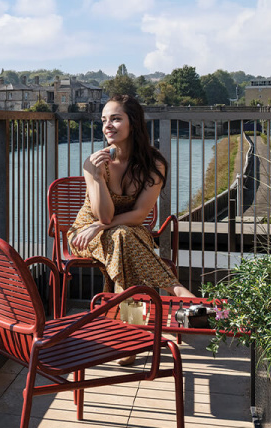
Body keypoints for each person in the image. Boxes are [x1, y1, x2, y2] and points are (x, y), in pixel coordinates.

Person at [67, 94, 196, 301]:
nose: (107, 125)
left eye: (116, 119)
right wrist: (98, 178)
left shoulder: (153, 165)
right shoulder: (93, 163)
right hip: (85, 234)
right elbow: (106, 217)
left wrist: (100, 226)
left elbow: (139, 215)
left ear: (133, 123)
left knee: (122, 236)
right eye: (104, 120)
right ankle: (176, 291)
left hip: (127, 230)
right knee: (121, 236)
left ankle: (123, 307)